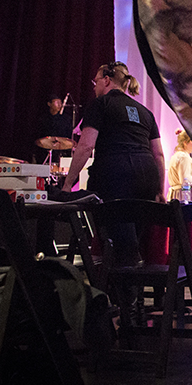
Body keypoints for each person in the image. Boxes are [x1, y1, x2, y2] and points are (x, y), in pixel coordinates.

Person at [62, 61, 165, 266]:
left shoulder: (100, 104)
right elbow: (159, 155)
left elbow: (86, 146)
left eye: (96, 81)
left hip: (116, 175)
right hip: (147, 178)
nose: (94, 86)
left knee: (120, 246)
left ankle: (120, 283)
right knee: (132, 241)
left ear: (107, 80)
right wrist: (160, 190)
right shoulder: (145, 112)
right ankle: (130, 282)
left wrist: (67, 184)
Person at [34, 94, 74, 163]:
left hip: (60, 150)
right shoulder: (43, 118)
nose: (59, 105)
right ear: (49, 104)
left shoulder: (66, 119)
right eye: (57, 102)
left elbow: (68, 134)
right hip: (44, 151)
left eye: (60, 103)